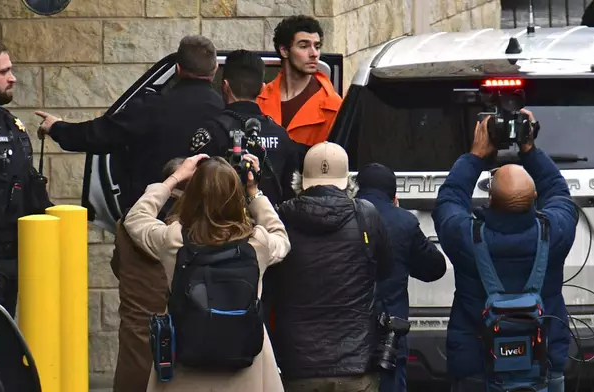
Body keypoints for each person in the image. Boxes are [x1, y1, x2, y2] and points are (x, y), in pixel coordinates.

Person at [432, 111, 578, 392]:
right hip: (543, 367)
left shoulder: (465, 238)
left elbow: (449, 199)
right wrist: (530, 149)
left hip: (476, 367)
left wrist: (475, 156)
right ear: (536, 198)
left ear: (489, 197)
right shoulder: (555, 232)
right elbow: (559, 192)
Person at [122, 153, 290, 392]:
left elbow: (136, 218)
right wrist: (254, 192)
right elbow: (281, 237)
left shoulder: (174, 241)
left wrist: (175, 178)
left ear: (192, 196)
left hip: (186, 363)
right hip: (246, 367)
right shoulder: (257, 244)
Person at [35, 35, 224, 215]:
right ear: (215, 68)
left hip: (153, 218)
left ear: (178, 69)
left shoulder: (151, 106)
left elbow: (99, 135)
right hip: (208, 221)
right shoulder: (226, 112)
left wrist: (57, 127)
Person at [267, 141, 393, 392]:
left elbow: (269, 282)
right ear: (347, 181)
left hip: (297, 365)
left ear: (300, 180)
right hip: (356, 365)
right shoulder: (366, 215)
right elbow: (386, 270)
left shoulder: (280, 217)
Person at [355, 163, 447, 392]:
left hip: (348, 338)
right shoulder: (403, 222)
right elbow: (435, 268)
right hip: (389, 340)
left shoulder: (343, 216)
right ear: (394, 196)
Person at [0, 39, 51, 315]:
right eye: (3, 72)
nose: (13, 78)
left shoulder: (10, 122)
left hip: (17, 255)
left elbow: (28, 183)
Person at [109, 158, 186, 392]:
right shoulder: (187, 233)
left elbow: (117, 267)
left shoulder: (129, 223)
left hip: (136, 334)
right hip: (177, 337)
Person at [190, 49, 297, 206]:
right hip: (270, 226)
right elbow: (290, 192)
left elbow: (196, 188)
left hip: (221, 226)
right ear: (262, 88)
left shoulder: (212, 131)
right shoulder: (281, 135)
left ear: (225, 86)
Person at [257, 15, 342, 159]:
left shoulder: (333, 106)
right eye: (304, 46)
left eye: (317, 46)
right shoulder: (260, 98)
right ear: (284, 50)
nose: (314, 54)